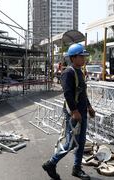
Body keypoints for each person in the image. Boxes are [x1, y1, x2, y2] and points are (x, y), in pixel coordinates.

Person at [42, 44, 95, 180]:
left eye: (84, 56)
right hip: (74, 113)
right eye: (81, 56)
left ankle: (77, 169)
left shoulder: (80, 72)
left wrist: (89, 107)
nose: (84, 59)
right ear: (73, 58)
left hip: (81, 112)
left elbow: (82, 93)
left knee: (81, 142)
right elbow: (68, 94)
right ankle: (51, 163)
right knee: (71, 143)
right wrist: (75, 111)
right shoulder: (68, 73)